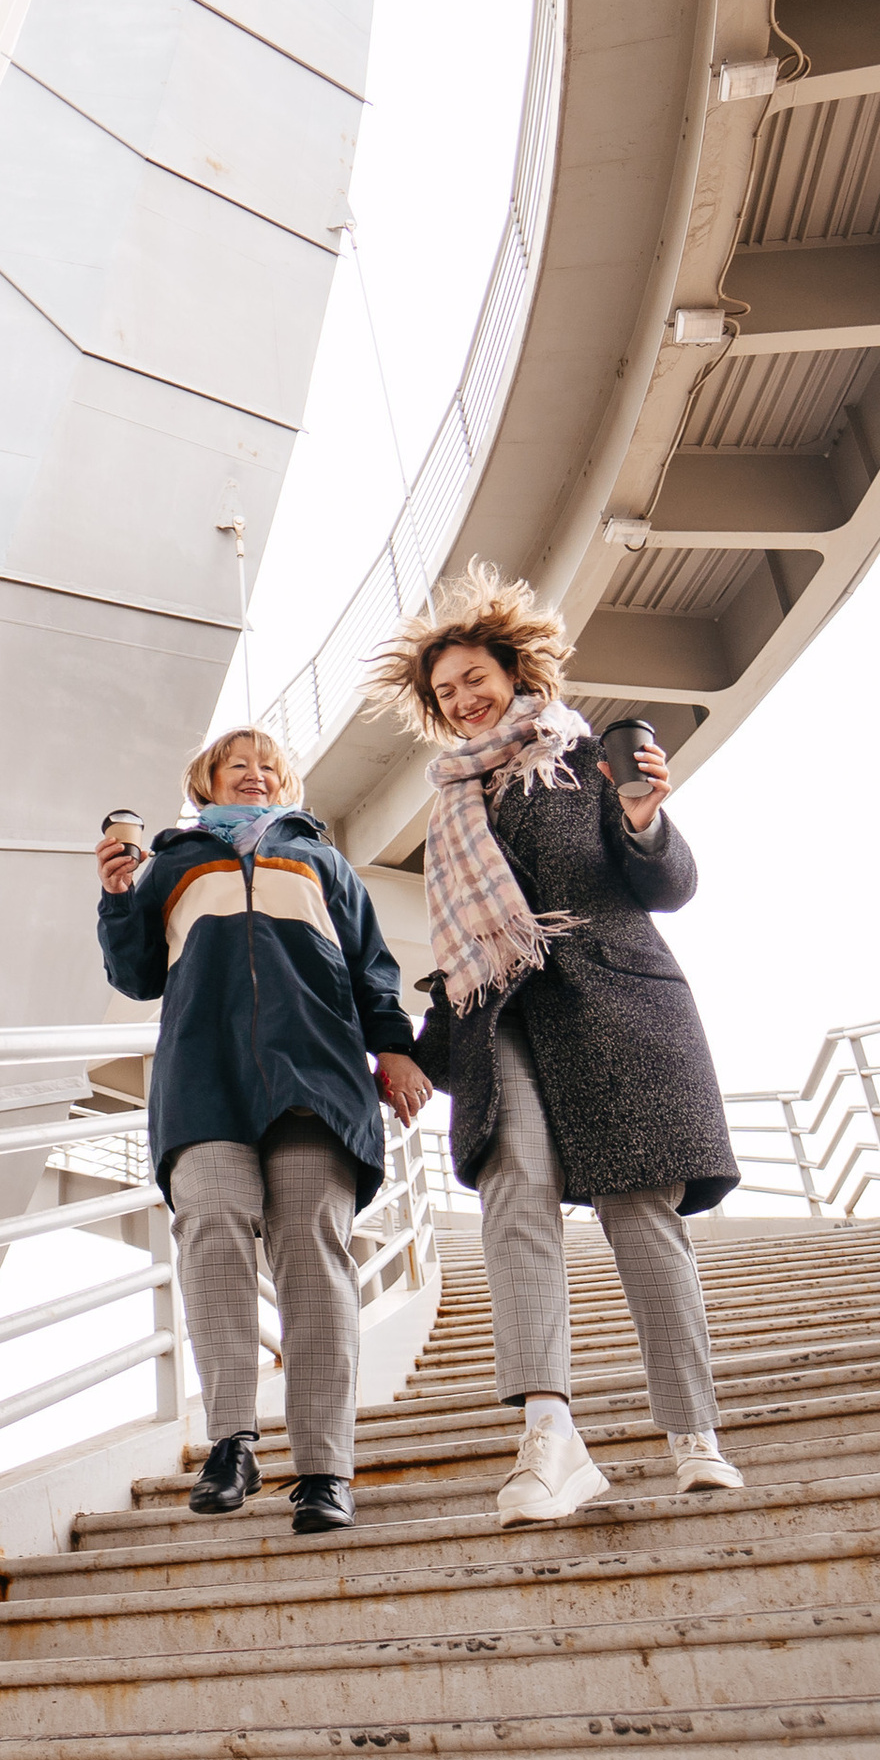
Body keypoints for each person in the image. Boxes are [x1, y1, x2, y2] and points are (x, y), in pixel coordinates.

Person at [376, 564, 744, 1527]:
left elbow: (666, 885)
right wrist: (417, 1048)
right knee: (516, 1198)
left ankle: (693, 1434)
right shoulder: (452, 803)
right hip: (503, 1023)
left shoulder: (580, 759)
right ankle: (550, 1436)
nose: (462, 700)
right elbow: (467, 948)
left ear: (513, 670)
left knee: (641, 1212)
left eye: (473, 679)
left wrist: (643, 817)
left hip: (618, 1006)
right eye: (445, 691)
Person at [97, 725, 432, 1534]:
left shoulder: (323, 860)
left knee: (313, 1250)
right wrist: (116, 899)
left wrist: (394, 1050)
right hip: (203, 1077)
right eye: (237, 765)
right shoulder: (173, 861)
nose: (256, 775)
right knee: (210, 1224)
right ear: (206, 783)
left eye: (269, 768)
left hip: (314, 1074)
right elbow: (137, 974)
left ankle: (323, 1469)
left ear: (287, 788)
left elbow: (372, 969)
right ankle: (232, 1441)